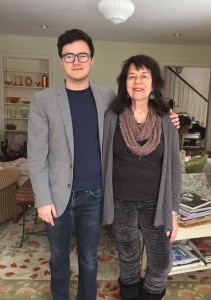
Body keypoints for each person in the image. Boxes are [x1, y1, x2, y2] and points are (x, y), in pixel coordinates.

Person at [27, 29, 180, 300]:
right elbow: (36, 153)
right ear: (61, 60)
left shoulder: (106, 98)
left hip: (95, 194)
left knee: (89, 259)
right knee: (59, 258)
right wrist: (42, 197)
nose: (77, 60)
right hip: (57, 195)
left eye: (82, 55)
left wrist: (171, 119)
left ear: (92, 60)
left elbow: (142, 112)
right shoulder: (44, 101)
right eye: (69, 55)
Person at [102, 54, 182, 300]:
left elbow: (175, 168)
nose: (138, 81)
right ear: (124, 83)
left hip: (155, 202)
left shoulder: (167, 119)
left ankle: (151, 292)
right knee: (128, 255)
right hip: (120, 200)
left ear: (154, 83)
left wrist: (174, 211)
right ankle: (130, 294)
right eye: (132, 76)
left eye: (144, 76)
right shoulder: (111, 117)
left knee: (161, 260)